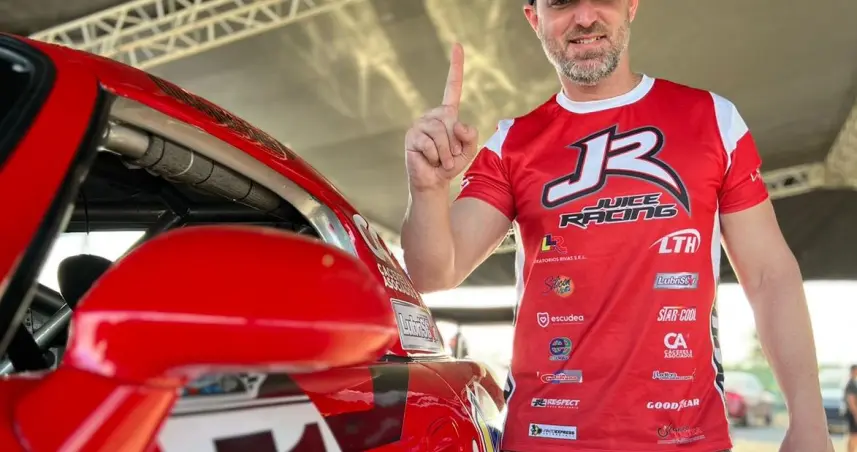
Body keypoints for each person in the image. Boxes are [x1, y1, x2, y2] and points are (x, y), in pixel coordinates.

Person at [400, 0, 834, 451]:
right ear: (534, 18)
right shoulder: (513, 143)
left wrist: (808, 421)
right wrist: (427, 188)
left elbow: (769, 276)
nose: (585, 17)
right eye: (562, 2)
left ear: (631, 5)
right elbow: (433, 272)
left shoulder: (714, 119)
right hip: (543, 439)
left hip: (686, 441)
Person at [845, 365, 857, 452]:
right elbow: (851, 401)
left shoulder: (852, 383)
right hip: (853, 413)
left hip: (853, 413)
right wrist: (855, 415)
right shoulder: (851, 385)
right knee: (854, 435)